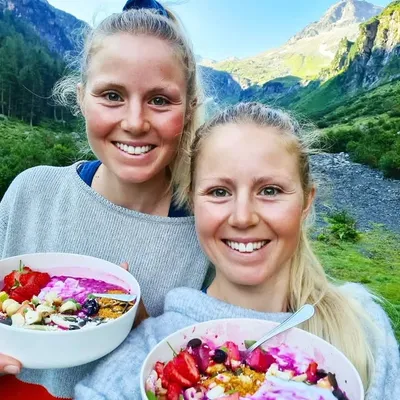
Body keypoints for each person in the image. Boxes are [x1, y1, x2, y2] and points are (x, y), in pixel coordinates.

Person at [74, 102, 399, 400]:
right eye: (219, 192)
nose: (243, 217)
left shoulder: (364, 331)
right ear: (193, 202)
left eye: (270, 190)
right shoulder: (150, 354)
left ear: (306, 202)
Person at [0, 1, 211, 398]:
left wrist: (148, 337)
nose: (134, 122)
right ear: (81, 98)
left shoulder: (208, 233)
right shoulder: (31, 193)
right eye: (112, 95)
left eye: (160, 100)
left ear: (189, 109)